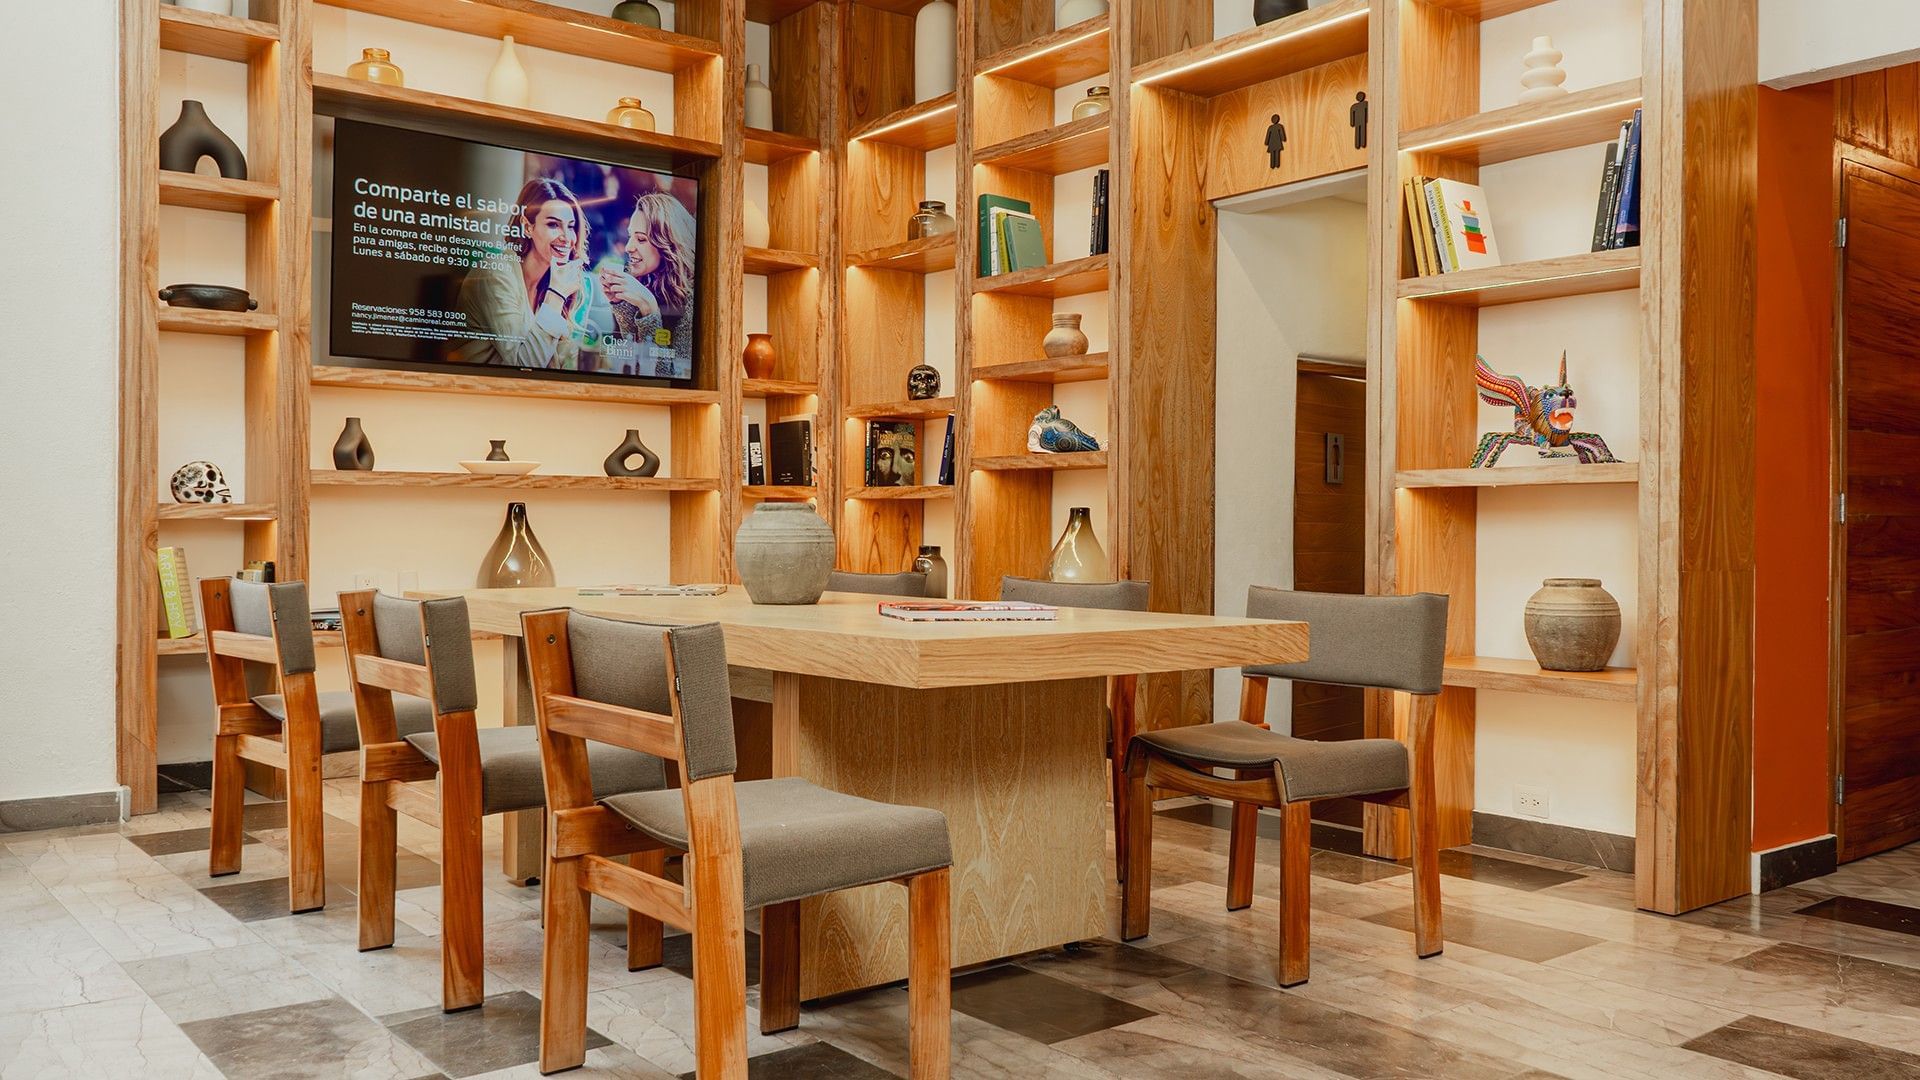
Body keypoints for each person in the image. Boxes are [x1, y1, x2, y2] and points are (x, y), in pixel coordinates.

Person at [453, 177, 598, 369]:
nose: (566, 238)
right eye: (553, 225)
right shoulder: (496, 273)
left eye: (571, 226)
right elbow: (523, 365)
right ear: (528, 227)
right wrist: (556, 295)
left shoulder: (559, 281)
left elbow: (562, 365)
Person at [601, 191, 697, 378]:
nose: (629, 247)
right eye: (630, 236)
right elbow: (630, 368)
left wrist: (649, 309)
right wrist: (621, 305)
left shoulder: (692, 298)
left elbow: (666, 378)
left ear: (667, 244)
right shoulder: (638, 282)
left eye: (641, 239)